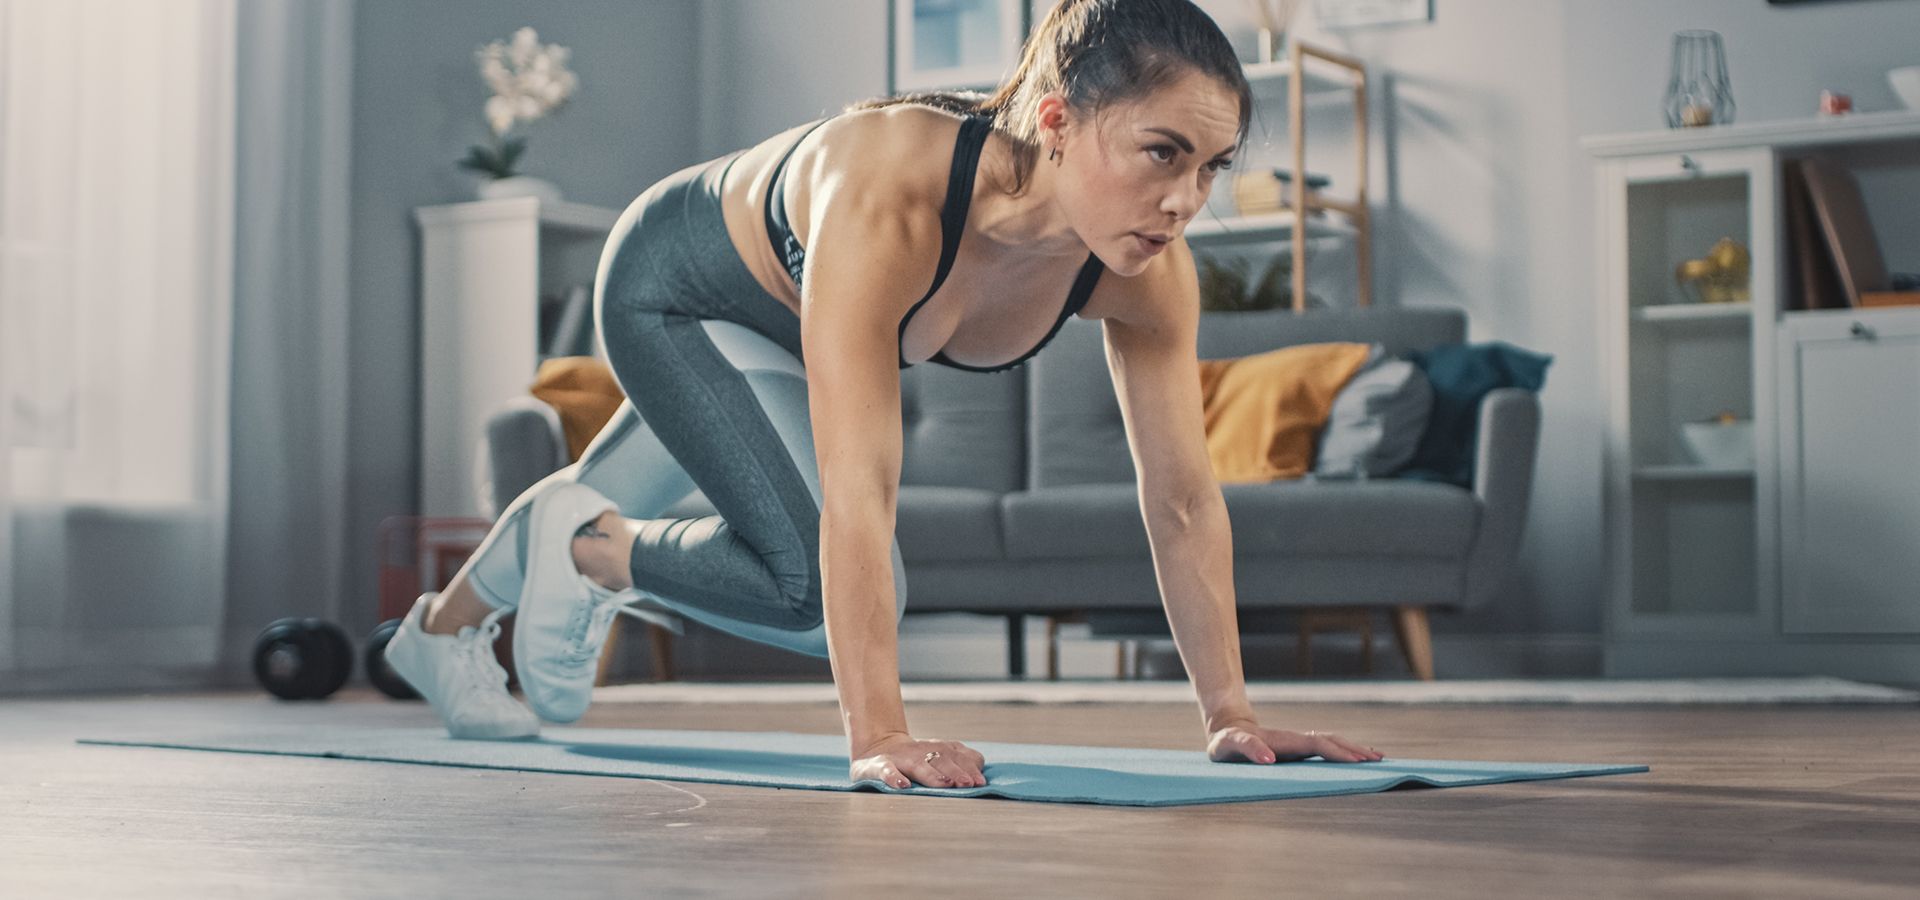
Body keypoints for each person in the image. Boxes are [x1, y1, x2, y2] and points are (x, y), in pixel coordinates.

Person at [383, 0, 1385, 790]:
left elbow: (1180, 498)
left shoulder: (1147, 271)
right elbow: (857, 488)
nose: (1185, 200)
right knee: (818, 590)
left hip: (770, 334)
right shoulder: (894, 194)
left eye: (1210, 168)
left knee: (622, 489)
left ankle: (434, 636)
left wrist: (1230, 715)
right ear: (1056, 121)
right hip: (677, 294)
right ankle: (593, 553)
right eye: (1162, 152)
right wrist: (879, 736)